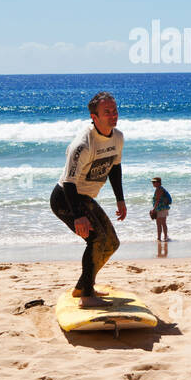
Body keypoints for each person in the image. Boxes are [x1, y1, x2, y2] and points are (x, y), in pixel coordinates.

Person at [49, 92, 126, 305]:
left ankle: (84, 285)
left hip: (85, 198)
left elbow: (115, 168)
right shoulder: (82, 145)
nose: (113, 115)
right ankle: (86, 295)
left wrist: (120, 199)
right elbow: (68, 183)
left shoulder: (117, 138)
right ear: (94, 117)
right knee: (96, 240)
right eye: (107, 112)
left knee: (112, 243)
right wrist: (78, 217)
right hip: (66, 198)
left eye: (115, 110)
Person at [150, 177, 172, 241]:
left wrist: (153, 209)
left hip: (161, 209)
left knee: (162, 223)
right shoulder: (159, 189)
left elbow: (157, 200)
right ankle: (160, 237)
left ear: (159, 183)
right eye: (152, 182)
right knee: (160, 223)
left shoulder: (159, 189)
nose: (153, 183)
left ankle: (164, 237)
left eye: (154, 182)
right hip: (161, 208)